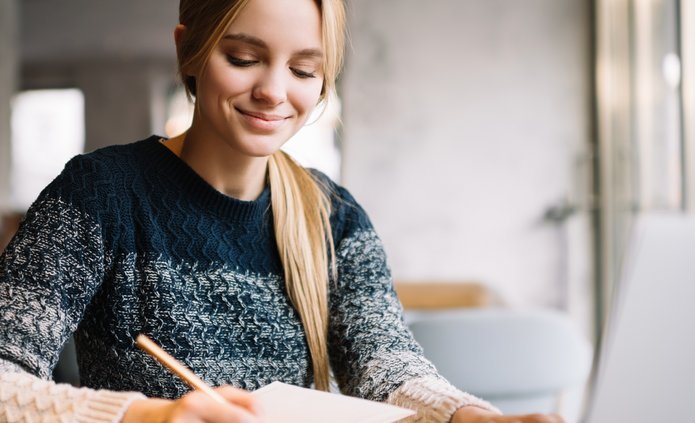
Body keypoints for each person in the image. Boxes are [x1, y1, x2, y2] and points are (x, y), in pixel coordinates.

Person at [0, 0, 565, 422]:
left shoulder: (334, 216)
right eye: (244, 58)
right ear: (187, 50)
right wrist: (148, 416)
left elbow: (386, 364)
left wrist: (467, 415)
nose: (274, 91)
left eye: (303, 70)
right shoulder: (102, 194)